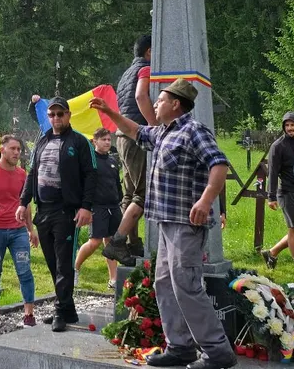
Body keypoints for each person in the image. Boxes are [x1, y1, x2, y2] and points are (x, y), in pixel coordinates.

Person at [93, 81, 235, 368]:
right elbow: (134, 131)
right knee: (164, 285)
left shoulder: (193, 131)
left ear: (175, 104)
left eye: (160, 100)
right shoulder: (161, 133)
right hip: (165, 223)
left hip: (186, 223)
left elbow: (219, 164)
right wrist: (111, 111)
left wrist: (206, 201)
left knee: (186, 285)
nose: (155, 104)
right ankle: (179, 347)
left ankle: (218, 351)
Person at [21, 95, 96, 332]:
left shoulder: (79, 142)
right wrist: (23, 203)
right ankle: (69, 308)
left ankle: (59, 310)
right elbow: (32, 173)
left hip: (66, 211)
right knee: (53, 263)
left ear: (68, 115)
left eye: (60, 113)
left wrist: (86, 207)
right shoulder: (42, 141)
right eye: (51, 114)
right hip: (43, 210)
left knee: (64, 263)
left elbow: (91, 175)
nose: (55, 118)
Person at [0, 134, 39, 327]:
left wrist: (31, 229)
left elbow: (26, 204)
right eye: (13, 148)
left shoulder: (22, 175)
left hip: (18, 231)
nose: (17, 152)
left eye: (19, 149)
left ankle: (29, 314)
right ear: (2, 150)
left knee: (25, 270)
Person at [101, 34, 153, 265]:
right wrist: (156, 126)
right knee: (143, 193)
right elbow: (141, 96)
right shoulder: (146, 69)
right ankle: (118, 242)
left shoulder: (126, 74)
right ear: (149, 52)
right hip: (136, 135)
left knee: (130, 193)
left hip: (121, 135)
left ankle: (133, 243)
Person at [261, 113, 294, 277]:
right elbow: (273, 172)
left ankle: (272, 252)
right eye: (287, 125)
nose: (290, 128)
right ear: (283, 127)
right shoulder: (278, 145)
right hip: (288, 193)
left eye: (293, 125)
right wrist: (271, 197)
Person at [76, 128, 123, 287]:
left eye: (109, 140)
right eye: (104, 140)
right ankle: (75, 268)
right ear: (94, 141)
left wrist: (120, 201)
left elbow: (117, 184)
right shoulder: (90, 161)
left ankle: (113, 279)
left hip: (113, 206)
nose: (107, 143)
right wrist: (85, 206)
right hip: (97, 206)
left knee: (111, 243)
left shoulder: (112, 161)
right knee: (94, 242)